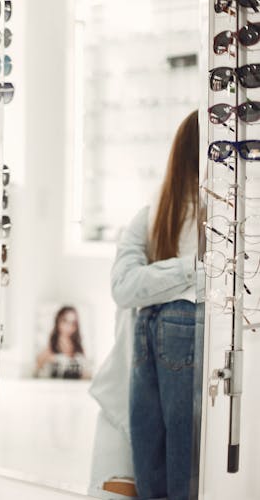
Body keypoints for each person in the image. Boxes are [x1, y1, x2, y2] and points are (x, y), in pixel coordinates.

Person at [87, 202, 203, 499]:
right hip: (121, 396)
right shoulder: (152, 215)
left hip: (180, 397)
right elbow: (124, 286)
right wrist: (196, 267)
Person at [126, 110, 199, 500]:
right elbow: (123, 286)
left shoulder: (158, 210)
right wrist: (195, 268)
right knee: (184, 457)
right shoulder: (219, 210)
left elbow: (126, 287)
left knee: (149, 448)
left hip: (147, 322)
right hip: (186, 321)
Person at [35, 306, 90, 379]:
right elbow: (36, 373)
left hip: (76, 389)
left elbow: (85, 375)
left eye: (73, 323)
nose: (69, 326)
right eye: (65, 321)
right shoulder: (49, 349)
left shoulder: (79, 349)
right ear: (58, 321)